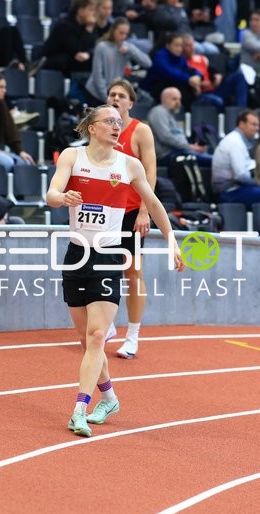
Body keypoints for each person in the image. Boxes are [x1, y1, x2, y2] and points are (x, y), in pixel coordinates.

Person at [46, 104, 184, 438]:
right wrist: (62, 197)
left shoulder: (129, 165)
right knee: (84, 339)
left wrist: (172, 242)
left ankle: (79, 408)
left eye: (119, 122)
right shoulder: (71, 157)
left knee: (97, 336)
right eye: (109, 121)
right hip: (77, 256)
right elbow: (50, 194)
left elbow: (153, 204)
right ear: (91, 127)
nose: (116, 126)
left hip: (110, 256)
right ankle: (108, 397)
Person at [106, 79, 157, 358]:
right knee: (100, 269)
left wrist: (144, 211)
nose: (115, 98)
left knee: (132, 272)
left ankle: (133, 336)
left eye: (121, 96)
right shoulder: (101, 129)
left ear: (130, 102)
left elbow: (150, 172)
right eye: (111, 94)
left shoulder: (141, 131)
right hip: (105, 212)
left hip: (131, 211)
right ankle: (109, 325)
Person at [212, 109, 260, 207]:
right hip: (229, 193)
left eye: (258, 125)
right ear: (242, 124)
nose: (257, 128)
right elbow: (240, 176)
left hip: (236, 189)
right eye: (253, 124)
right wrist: (259, 184)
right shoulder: (234, 142)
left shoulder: (238, 140)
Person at [84, 17, 151, 105]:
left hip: (113, 95)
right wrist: (107, 98)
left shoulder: (127, 46)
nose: (123, 36)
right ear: (113, 30)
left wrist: (130, 51)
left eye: (125, 34)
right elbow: (98, 76)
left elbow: (147, 63)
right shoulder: (102, 47)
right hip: (96, 94)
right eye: (121, 33)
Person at [182, 33, 248, 111]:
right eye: (188, 46)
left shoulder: (201, 58)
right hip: (199, 94)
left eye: (192, 45)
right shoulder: (182, 62)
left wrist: (217, 76)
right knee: (217, 101)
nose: (192, 48)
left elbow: (210, 70)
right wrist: (201, 84)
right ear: (181, 47)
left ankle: (242, 112)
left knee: (239, 76)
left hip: (214, 88)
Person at [147, 87, 211, 167]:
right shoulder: (158, 112)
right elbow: (165, 137)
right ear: (164, 99)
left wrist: (192, 147)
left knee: (210, 158)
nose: (178, 102)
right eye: (174, 99)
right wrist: (190, 147)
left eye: (179, 99)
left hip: (180, 152)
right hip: (168, 155)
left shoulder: (170, 114)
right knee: (212, 161)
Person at [140, 32, 203, 111]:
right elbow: (169, 72)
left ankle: (186, 115)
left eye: (181, 46)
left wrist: (198, 76)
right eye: (176, 45)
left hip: (170, 86)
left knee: (187, 89)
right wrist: (189, 80)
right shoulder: (160, 56)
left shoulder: (180, 58)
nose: (179, 48)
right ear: (168, 45)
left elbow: (189, 70)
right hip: (153, 88)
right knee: (181, 88)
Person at [42, 0, 98, 75]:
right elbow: (77, 49)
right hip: (54, 63)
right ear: (80, 10)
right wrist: (89, 29)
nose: (93, 14)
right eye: (91, 10)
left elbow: (94, 46)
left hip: (74, 64)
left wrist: (88, 54)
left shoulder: (89, 24)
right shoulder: (64, 25)